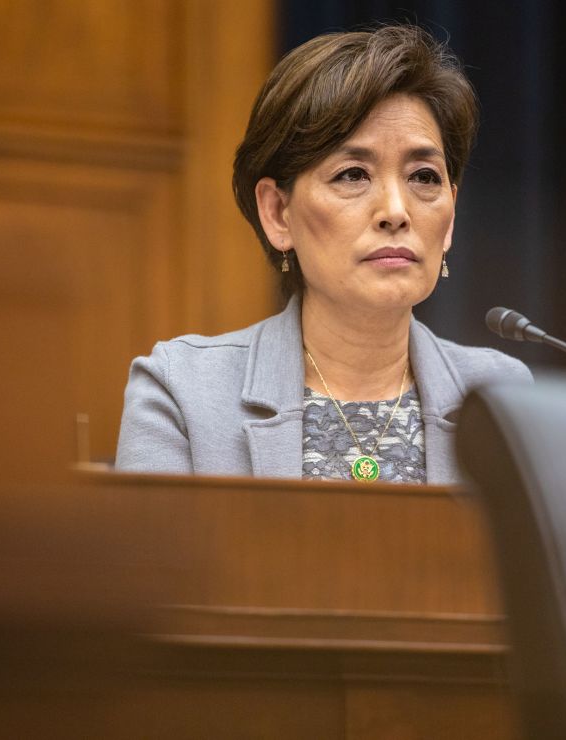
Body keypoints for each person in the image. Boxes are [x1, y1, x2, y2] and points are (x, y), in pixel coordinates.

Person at [115, 25, 531, 484]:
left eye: (424, 178)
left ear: (450, 218)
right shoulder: (183, 391)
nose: (396, 211)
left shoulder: (504, 398)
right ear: (277, 213)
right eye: (352, 174)